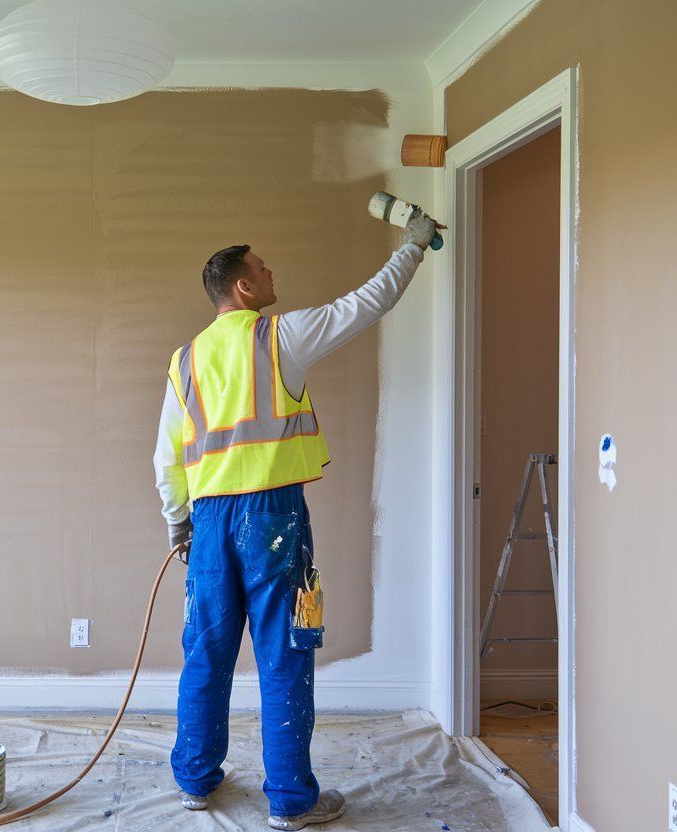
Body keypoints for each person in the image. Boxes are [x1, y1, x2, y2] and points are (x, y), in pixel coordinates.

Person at [153, 210, 440, 830]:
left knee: (205, 653)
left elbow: (166, 456)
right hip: (273, 517)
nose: (270, 271)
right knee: (286, 652)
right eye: (261, 268)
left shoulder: (185, 361)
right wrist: (412, 247)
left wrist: (180, 523)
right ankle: (290, 801)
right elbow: (366, 303)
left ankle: (195, 782)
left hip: (207, 525)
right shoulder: (278, 337)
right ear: (244, 288)